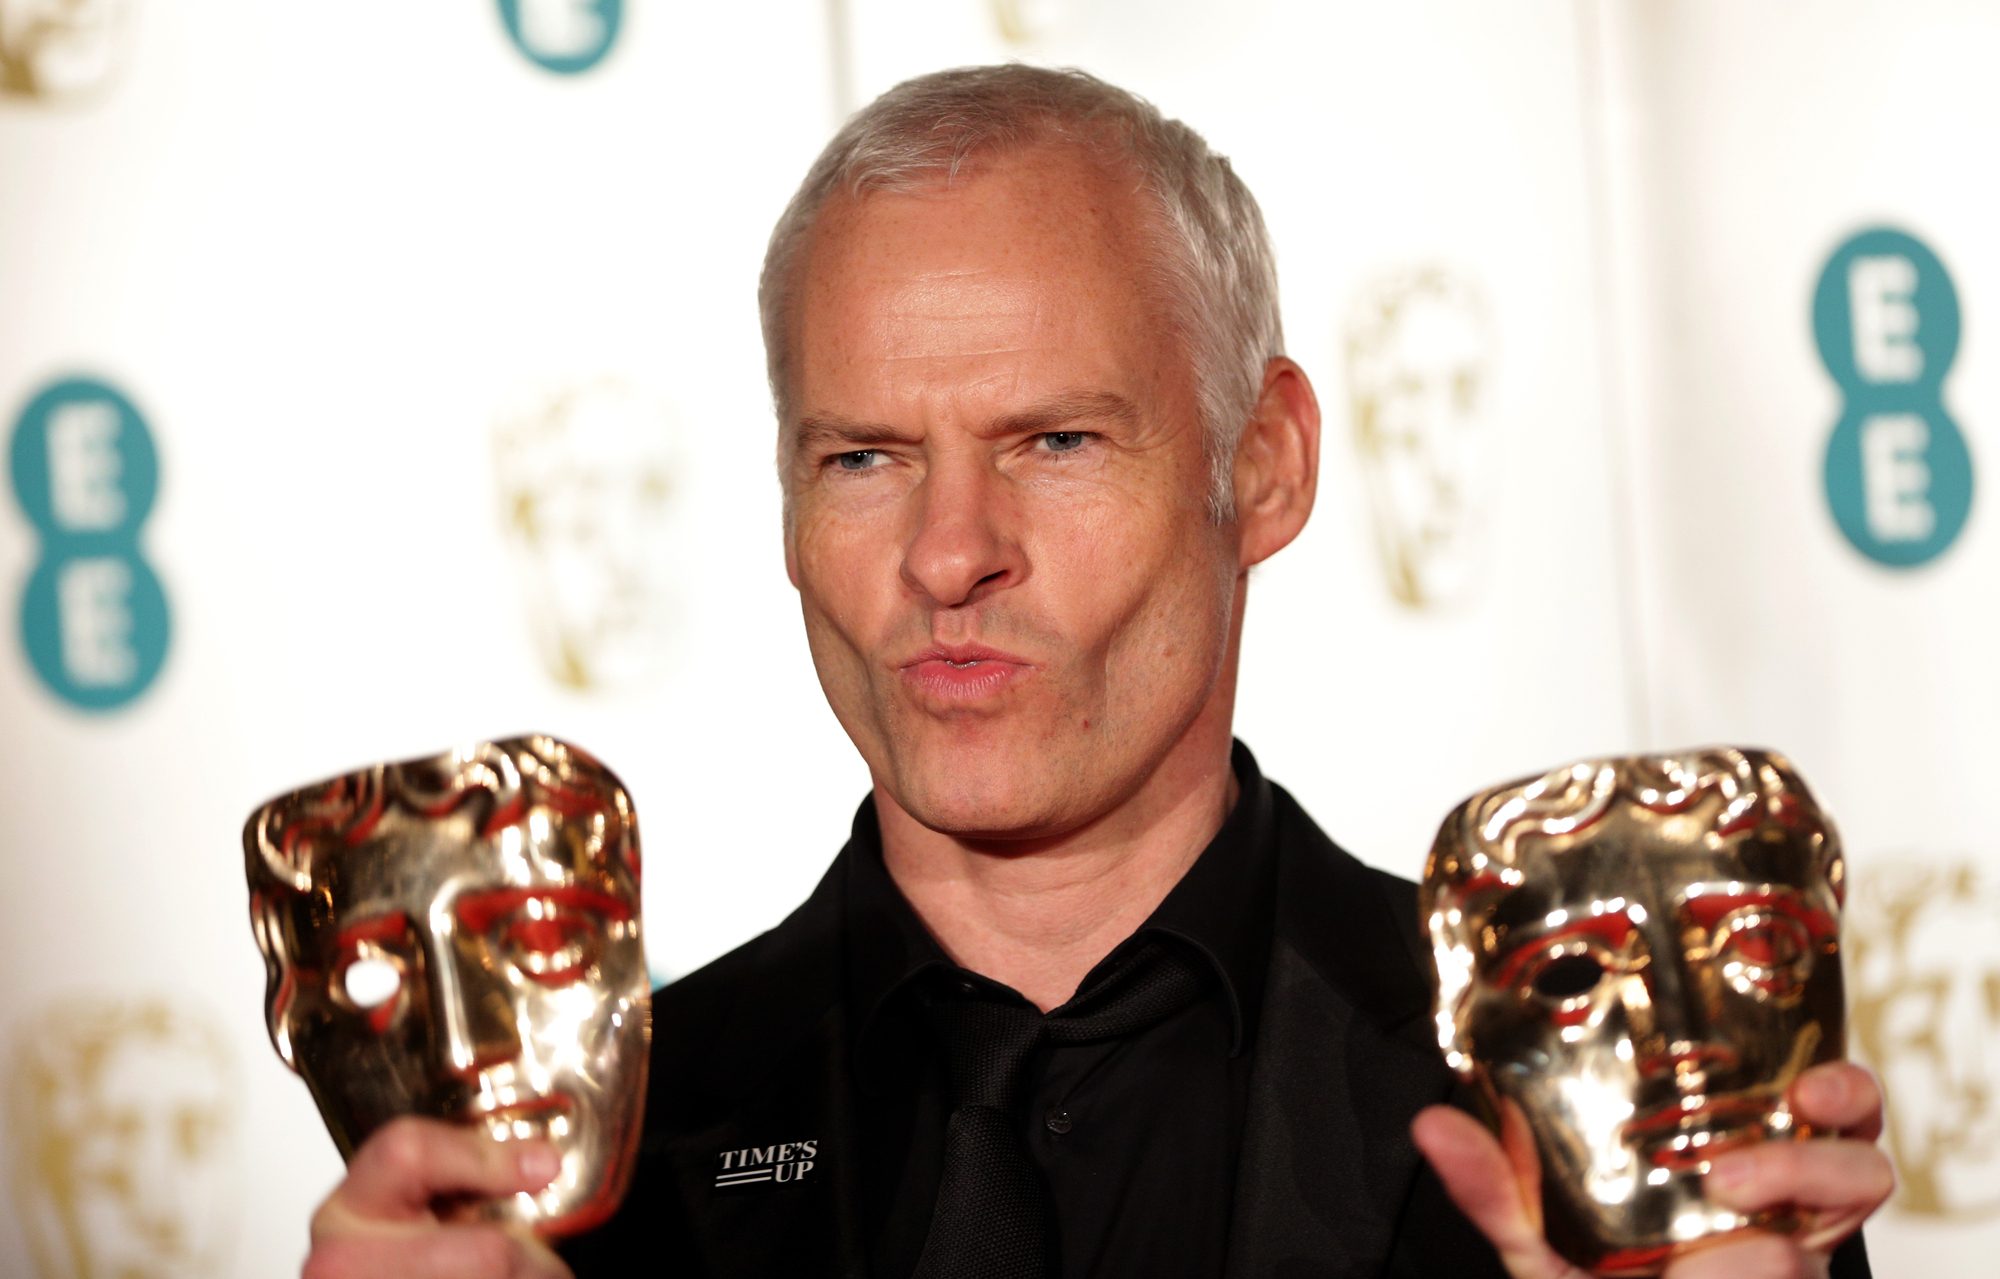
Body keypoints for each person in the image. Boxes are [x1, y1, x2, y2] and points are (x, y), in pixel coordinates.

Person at [296, 65, 1890, 1279]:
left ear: (1264, 465)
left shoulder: (1596, 1108)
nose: (948, 554)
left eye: (1054, 442)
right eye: (863, 458)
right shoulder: (572, 1184)